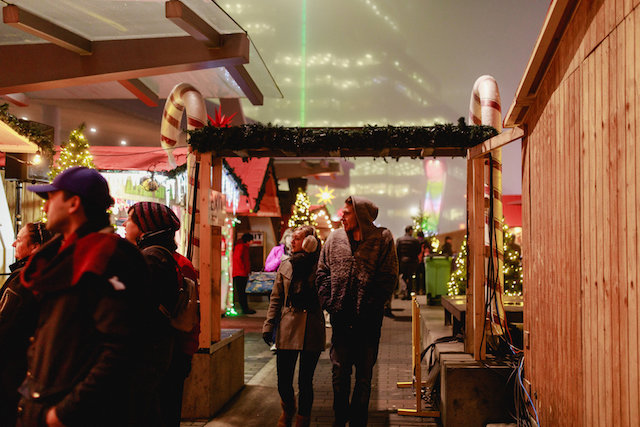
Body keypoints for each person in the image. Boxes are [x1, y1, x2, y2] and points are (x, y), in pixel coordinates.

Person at [18, 166, 148, 427]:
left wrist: (64, 413)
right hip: (43, 401)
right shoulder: (64, 257)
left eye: (51, 198)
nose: (45, 208)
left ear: (73, 203)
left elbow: (121, 348)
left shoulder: (109, 258)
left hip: (76, 414)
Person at [317, 196, 398, 426]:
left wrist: (373, 306)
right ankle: (340, 419)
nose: (342, 215)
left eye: (347, 212)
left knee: (364, 377)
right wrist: (328, 302)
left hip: (368, 323)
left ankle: (358, 421)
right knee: (339, 374)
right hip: (341, 320)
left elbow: (388, 277)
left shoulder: (382, 238)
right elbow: (322, 272)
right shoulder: (334, 238)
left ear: (361, 215)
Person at [124, 201, 199, 427]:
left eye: (131, 219)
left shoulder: (160, 260)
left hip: (166, 355)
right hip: (165, 354)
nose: (125, 224)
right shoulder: (152, 255)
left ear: (145, 227)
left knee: (161, 413)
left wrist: (186, 353)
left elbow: (187, 314)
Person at [262, 226, 325, 427]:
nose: (292, 241)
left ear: (309, 242)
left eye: (297, 238)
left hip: (311, 327)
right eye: (292, 238)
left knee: (306, 381)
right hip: (288, 326)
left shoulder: (321, 266)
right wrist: (268, 324)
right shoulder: (286, 265)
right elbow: (276, 298)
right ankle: (288, 408)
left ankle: (302, 419)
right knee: (283, 380)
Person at [0, 222, 52, 427]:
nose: (13, 244)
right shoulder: (49, 272)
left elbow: (5, 326)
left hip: (14, 373)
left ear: (35, 247)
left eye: (19, 240)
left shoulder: (25, 279)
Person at [395, 225, 421, 300]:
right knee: (410, 277)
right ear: (410, 231)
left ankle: (404, 292)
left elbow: (397, 250)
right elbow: (418, 250)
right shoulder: (415, 240)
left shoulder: (399, 240)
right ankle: (408, 293)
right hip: (412, 262)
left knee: (403, 277)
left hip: (403, 262)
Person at [233, 232, 256, 315]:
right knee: (242, 292)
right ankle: (245, 309)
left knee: (242, 292)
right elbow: (238, 259)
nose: (253, 241)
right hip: (240, 273)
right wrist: (243, 269)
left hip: (241, 272)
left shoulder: (242, 247)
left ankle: (245, 308)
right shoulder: (242, 247)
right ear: (248, 240)